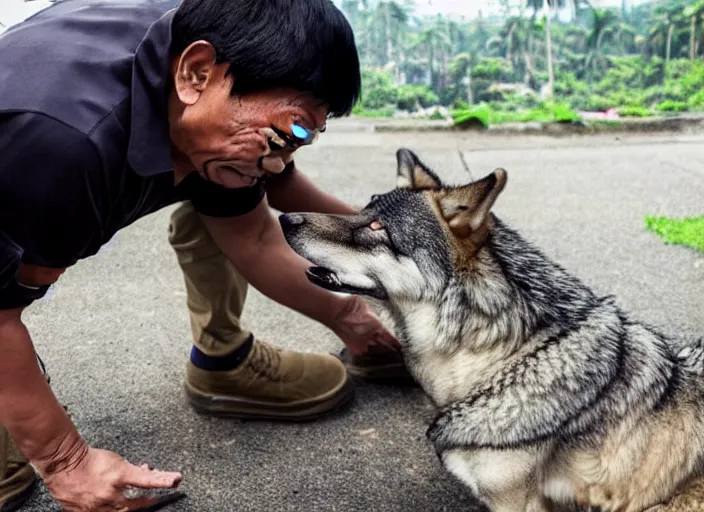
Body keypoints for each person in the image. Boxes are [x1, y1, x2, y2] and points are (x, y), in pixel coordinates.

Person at [0, 0, 409, 510]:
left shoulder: (214, 105)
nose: (281, 162)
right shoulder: (60, 144)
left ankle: (224, 361)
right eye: (290, 131)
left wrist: (356, 319)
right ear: (196, 74)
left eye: (304, 141)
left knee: (232, 188)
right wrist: (65, 460)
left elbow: (256, 236)